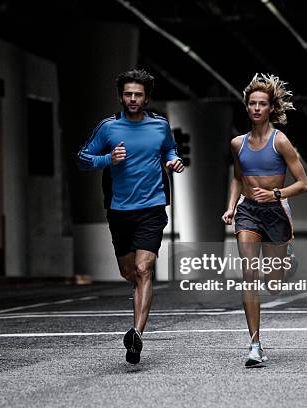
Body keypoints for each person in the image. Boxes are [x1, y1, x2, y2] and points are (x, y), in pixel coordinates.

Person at [77, 69, 184, 364]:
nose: (133, 99)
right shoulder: (108, 128)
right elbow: (83, 159)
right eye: (128, 94)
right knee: (130, 273)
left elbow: (170, 150)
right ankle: (138, 307)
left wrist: (174, 161)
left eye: (138, 94)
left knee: (144, 268)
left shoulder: (160, 126)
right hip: (120, 211)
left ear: (146, 97)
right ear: (121, 96)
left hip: (152, 208)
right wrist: (107, 159)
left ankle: (136, 334)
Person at [221, 73, 307, 367]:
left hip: (275, 211)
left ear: (271, 108)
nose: (257, 108)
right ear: (246, 107)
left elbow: (303, 183)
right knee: (249, 273)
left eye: (262, 104)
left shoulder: (280, 141)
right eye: (252, 103)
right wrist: (232, 206)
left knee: (273, 285)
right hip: (248, 211)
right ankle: (255, 345)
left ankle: (285, 264)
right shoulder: (237, 143)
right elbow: (237, 177)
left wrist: (275, 194)